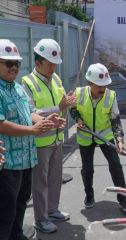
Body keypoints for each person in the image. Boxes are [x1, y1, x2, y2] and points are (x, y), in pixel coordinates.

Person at [0, 39, 63, 240]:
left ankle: (17, 235)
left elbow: (30, 112)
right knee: (6, 211)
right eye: (8, 64)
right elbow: (1, 124)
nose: (14, 68)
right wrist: (32, 129)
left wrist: (46, 121)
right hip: (8, 164)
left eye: (16, 63)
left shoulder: (17, 88)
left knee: (20, 204)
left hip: (26, 160)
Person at [21, 39, 76, 234]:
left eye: (55, 63)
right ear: (37, 63)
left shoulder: (56, 79)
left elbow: (60, 107)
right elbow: (29, 112)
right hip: (40, 142)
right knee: (40, 182)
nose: (53, 67)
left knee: (55, 178)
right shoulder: (27, 82)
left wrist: (66, 105)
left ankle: (52, 210)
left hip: (56, 139)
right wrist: (58, 108)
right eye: (50, 63)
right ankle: (41, 219)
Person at [70, 63, 126, 212]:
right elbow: (72, 110)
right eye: (99, 86)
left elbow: (115, 120)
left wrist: (120, 141)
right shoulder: (78, 93)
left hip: (105, 134)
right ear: (90, 83)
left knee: (116, 165)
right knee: (87, 169)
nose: (103, 89)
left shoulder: (111, 96)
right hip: (86, 135)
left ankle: (123, 198)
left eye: (105, 85)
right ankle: (89, 195)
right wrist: (78, 120)